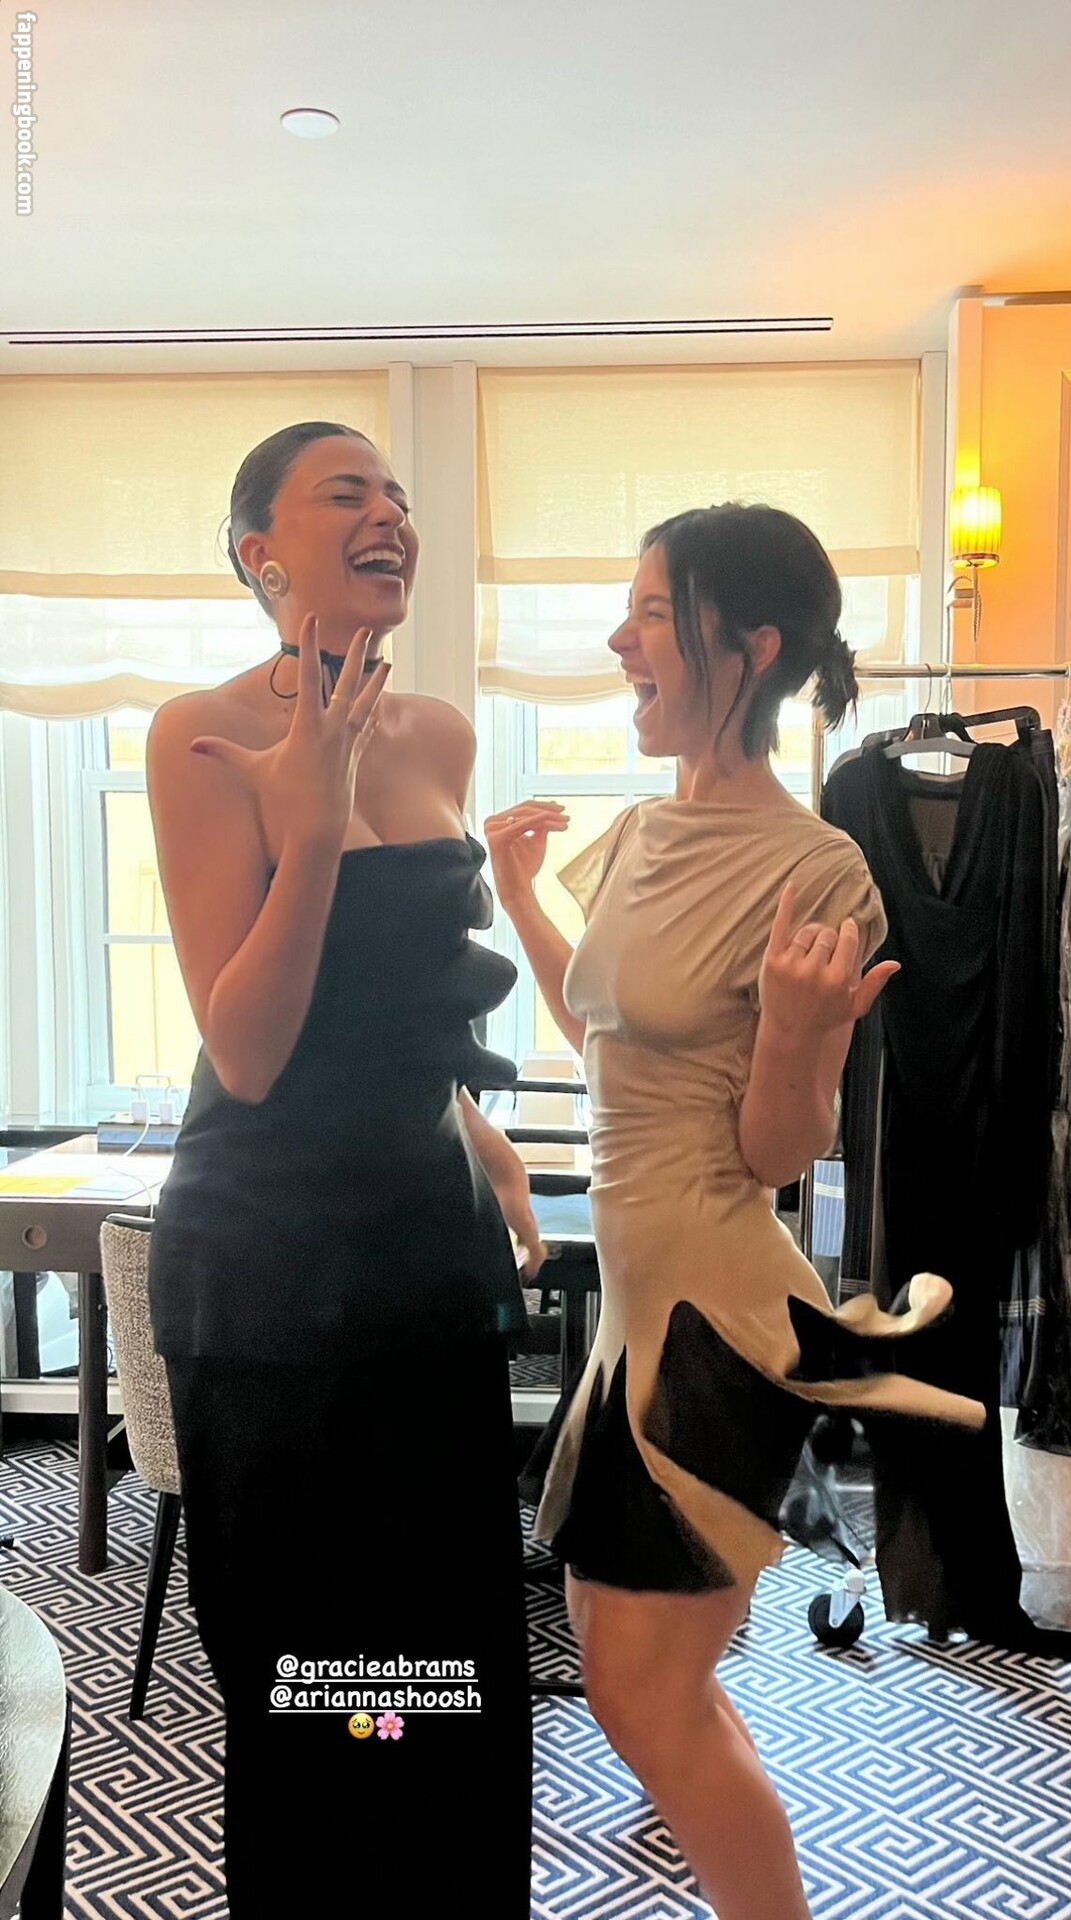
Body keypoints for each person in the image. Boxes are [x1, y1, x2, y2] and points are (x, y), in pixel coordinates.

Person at [486, 502, 986, 1920]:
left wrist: (792, 1034)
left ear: (749, 646)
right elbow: (607, 1035)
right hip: (636, 1314)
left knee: (646, 1692)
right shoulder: (645, 829)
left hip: (716, 1319)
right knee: (632, 1665)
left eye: (652, 612)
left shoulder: (816, 871)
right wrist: (521, 897)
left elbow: (780, 1146)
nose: (618, 639)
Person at [145, 421, 539, 1916]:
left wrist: (484, 1140)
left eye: (399, 495)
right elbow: (246, 1049)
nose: (389, 515)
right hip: (272, 1275)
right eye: (346, 493)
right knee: (317, 1678)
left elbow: (402, 1013)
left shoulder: (437, 734)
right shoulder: (202, 735)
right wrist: (308, 832)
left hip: (424, 1262)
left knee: (443, 1674)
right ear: (262, 552)